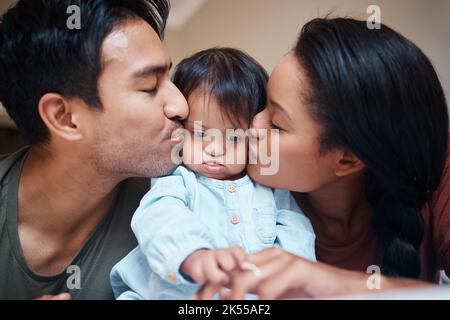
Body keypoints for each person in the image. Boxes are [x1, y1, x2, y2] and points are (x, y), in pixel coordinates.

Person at [195, 18, 450, 300]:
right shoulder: (225, 181)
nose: (253, 125)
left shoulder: (439, 171)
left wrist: (331, 282)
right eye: (263, 104)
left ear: (347, 160)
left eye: (277, 125)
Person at [0, 0, 189, 299]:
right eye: (150, 86)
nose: (181, 105)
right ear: (64, 117)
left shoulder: (177, 210)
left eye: (170, 78)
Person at [110, 48, 316, 299]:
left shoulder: (270, 188)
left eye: (233, 137)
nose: (215, 149)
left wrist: (296, 284)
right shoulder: (177, 180)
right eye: (199, 133)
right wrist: (194, 254)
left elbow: (297, 235)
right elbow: (158, 217)